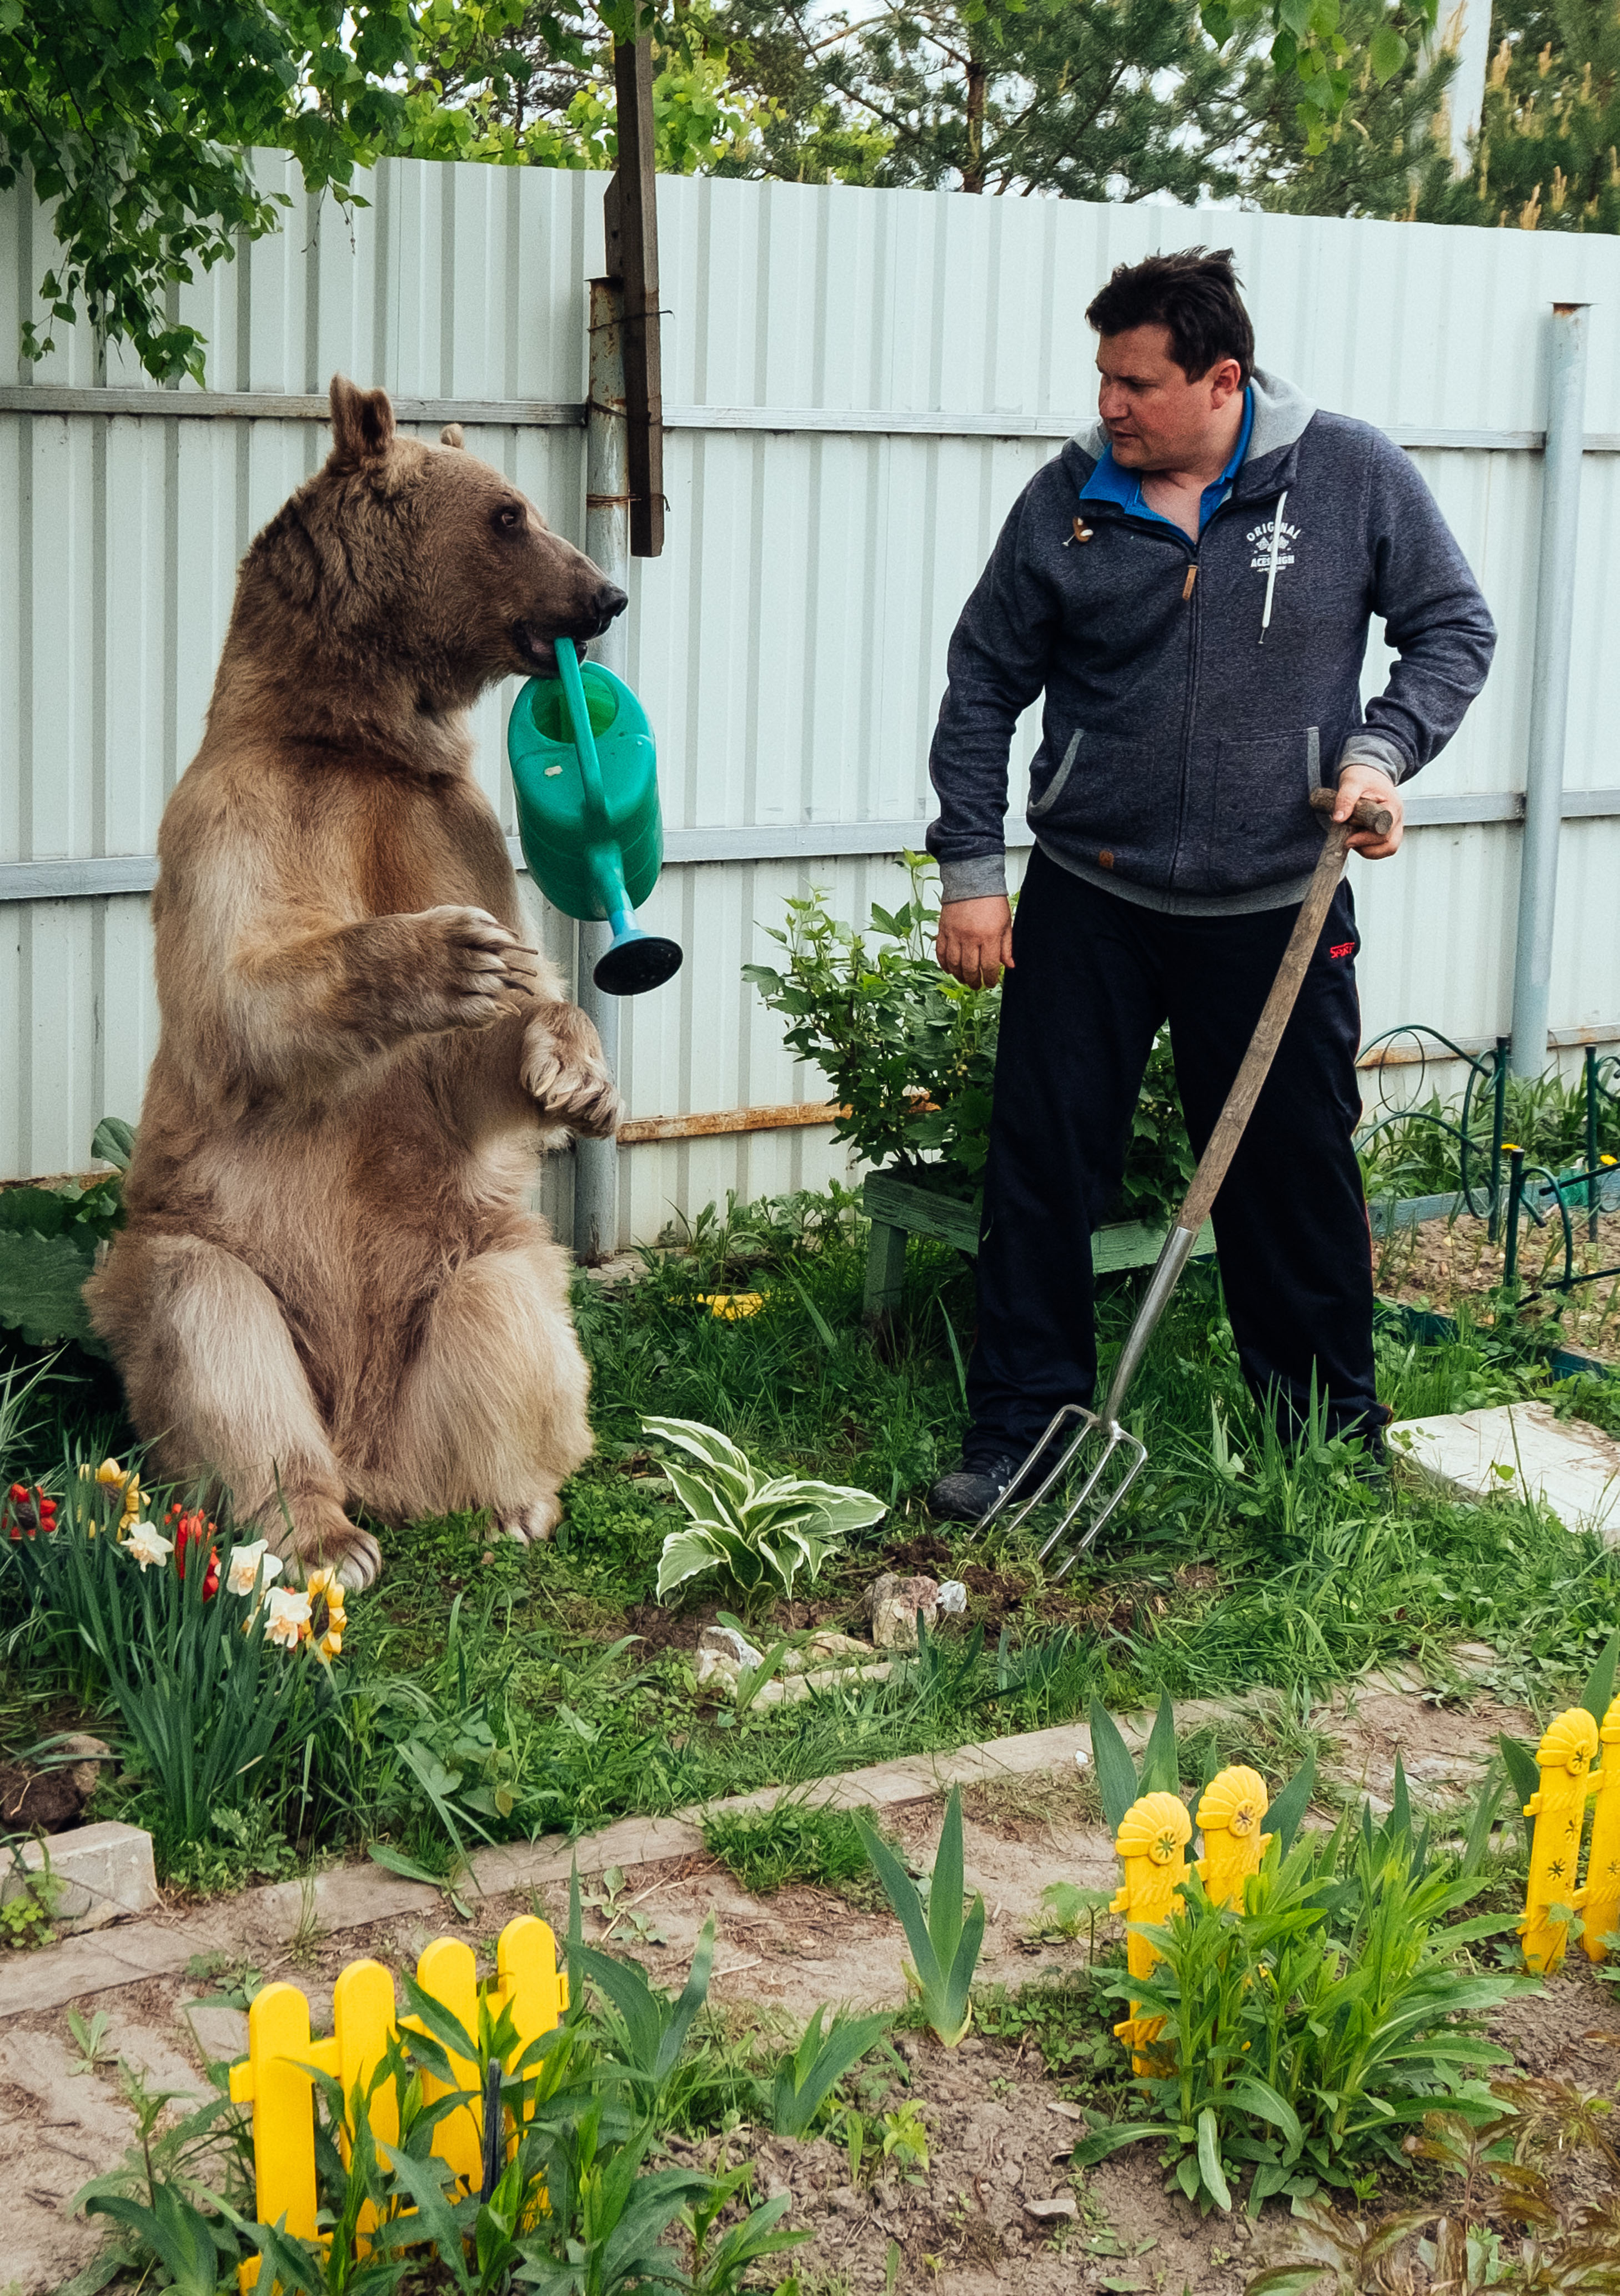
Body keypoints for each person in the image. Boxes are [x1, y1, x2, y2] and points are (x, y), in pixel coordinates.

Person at [924, 247, 1496, 1525]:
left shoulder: (1347, 473)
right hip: (1092, 894)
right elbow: (982, 685)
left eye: (1135, 383)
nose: (1109, 407)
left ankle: (1325, 1439)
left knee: (1292, 1174)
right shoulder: (1066, 498)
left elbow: (1452, 626)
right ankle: (1022, 1435)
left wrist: (1377, 752)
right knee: (1041, 1168)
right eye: (1103, 379)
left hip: (1276, 906)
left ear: (1220, 379)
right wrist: (972, 870)